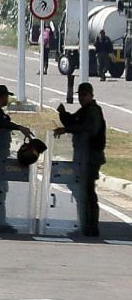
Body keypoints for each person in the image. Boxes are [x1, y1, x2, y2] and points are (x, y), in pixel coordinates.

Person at [0, 85, 33, 232]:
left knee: (1, 189)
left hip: (0, 155)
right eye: (6, 96)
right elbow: (0, 123)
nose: (7, 99)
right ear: (2, 97)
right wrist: (19, 127)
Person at [55, 82, 106, 237]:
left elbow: (88, 128)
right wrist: (63, 115)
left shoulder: (93, 111)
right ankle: (85, 224)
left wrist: (67, 129)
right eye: (80, 95)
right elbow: (74, 122)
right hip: (83, 156)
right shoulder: (85, 110)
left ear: (91, 95)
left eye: (84, 95)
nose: (82, 98)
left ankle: (91, 225)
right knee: (81, 191)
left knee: (87, 191)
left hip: (90, 157)